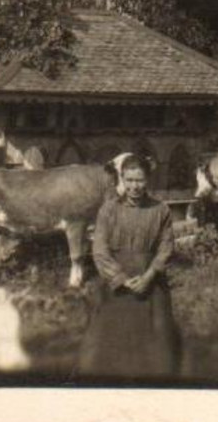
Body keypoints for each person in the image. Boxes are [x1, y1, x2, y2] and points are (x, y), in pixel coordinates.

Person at [78, 153, 181, 379]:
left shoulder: (160, 210)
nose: (135, 186)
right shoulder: (108, 209)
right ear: (122, 180)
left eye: (140, 180)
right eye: (129, 180)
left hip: (151, 283)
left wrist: (149, 277)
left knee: (156, 347)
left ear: (148, 181)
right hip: (115, 285)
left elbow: (166, 247)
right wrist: (121, 279)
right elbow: (100, 250)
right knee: (108, 344)